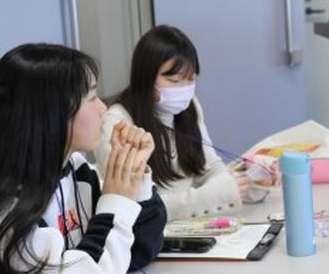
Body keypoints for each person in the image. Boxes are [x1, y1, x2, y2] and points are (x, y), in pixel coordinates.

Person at [0, 44, 165, 274]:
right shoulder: (0, 198)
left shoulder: (75, 169)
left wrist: (133, 176)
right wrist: (116, 201)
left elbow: (140, 248)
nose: (103, 108)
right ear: (49, 113)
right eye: (91, 97)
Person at [96, 25, 274, 221]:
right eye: (174, 80)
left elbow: (209, 169)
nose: (184, 90)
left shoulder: (188, 108)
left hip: (187, 226)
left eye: (190, 80)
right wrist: (209, 198)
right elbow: (136, 206)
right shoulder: (118, 124)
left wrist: (252, 182)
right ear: (145, 77)